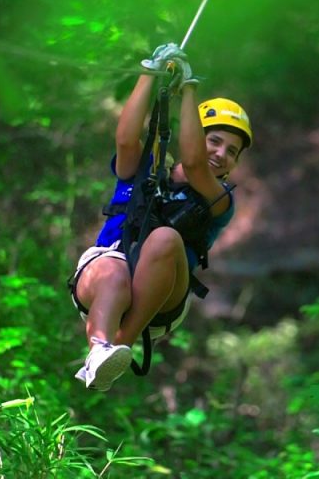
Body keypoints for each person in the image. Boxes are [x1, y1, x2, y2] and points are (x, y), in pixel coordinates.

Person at [67, 43, 253, 391]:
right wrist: (149, 74)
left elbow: (196, 164)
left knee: (166, 237)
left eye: (232, 152)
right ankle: (99, 353)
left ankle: (122, 342)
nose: (221, 154)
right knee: (113, 268)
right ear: (197, 135)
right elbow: (125, 140)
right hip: (105, 278)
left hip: (162, 300)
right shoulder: (145, 170)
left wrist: (189, 90)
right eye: (214, 140)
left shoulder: (219, 202)